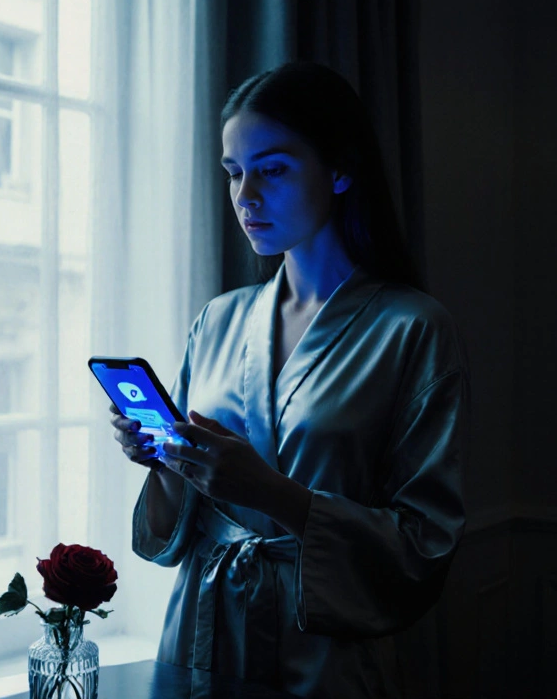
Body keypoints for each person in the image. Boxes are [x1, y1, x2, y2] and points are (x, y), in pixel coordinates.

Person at [110, 61, 469, 698]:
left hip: (323, 649)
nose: (246, 196)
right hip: (200, 632)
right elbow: (179, 526)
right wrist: (163, 460)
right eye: (233, 173)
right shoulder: (217, 320)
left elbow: (424, 544)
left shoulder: (412, 329)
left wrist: (278, 496)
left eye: (272, 169)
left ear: (339, 168)